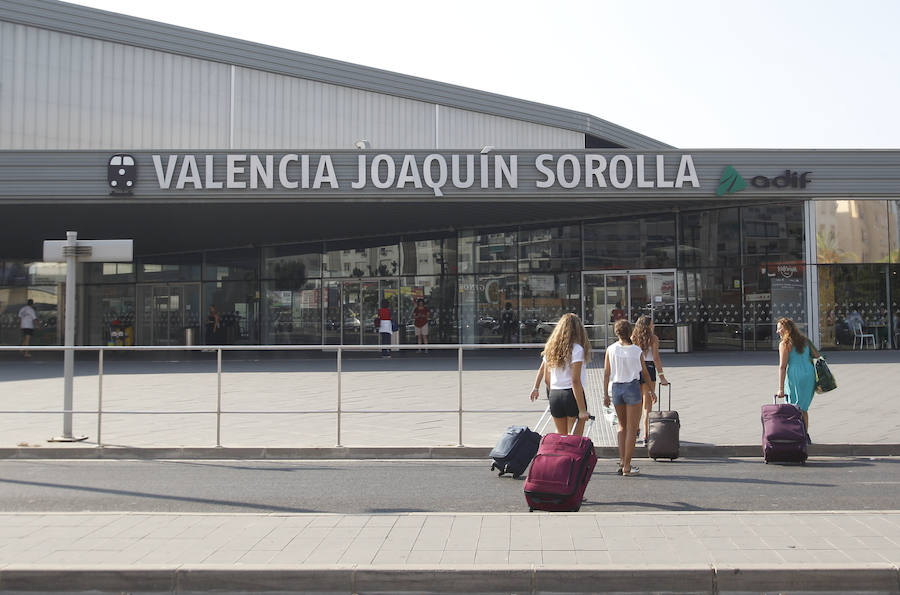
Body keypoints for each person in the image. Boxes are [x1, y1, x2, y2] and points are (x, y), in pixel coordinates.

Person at [603, 319, 655, 476]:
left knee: (621, 426)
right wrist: (652, 390)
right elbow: (644, 372)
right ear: (630, 332)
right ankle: (627, 465)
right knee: (632, 428)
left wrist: (605, 394)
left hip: (616, 387)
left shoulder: (610, 349)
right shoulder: (636, 351)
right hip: (632, 387)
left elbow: (606, 373)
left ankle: (622, 460)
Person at [528, 313, 591, 436]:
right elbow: (575, 381)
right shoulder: (576, 349)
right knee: (574, 439)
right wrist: (582, 410)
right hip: (571, 395)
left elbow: (546, 377)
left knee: (561, 437)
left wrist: (541, 389)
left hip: (555, 394)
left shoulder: (551, 348)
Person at [776, 317, 817, 443]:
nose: (778, 331)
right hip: (809, 374)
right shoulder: (805, 341)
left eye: (779, 328)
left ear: (786, 329)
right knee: (803, 407)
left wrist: (781, 389)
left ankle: (796, 434)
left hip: (795, 374)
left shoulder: (785, 344)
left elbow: (782, 367)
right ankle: (805, 434)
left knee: (793, 406)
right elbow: (817, 355)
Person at [631, 315, 669, 445]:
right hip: (649, 368)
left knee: (637, 405)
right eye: (652, 324)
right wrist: (662, 376)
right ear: (648, 326)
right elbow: (656, 358)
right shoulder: (653, 339)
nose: (654, 325)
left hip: (636, 370)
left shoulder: (633, 338)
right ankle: (646, 436)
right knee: (648, 406)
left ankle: (636, 429)